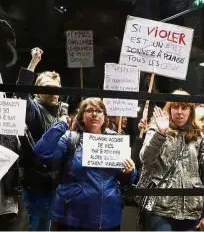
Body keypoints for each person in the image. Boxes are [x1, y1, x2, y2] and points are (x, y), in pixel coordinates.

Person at [33, 97, 137, 231]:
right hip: (72, 219)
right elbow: (41, 153)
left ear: (105, 117)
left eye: (99, 111)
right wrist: (60, 126)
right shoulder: (69, 139)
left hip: (108, 219)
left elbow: (127, 179)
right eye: (89, 110)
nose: (94, 114)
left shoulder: (116, 140)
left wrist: (130, 171)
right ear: (81, 116)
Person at [139, 89, 204, 231]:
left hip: (191, 208)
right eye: (175, 107)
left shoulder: (197, 135)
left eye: (184, 107)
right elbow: (145, 158)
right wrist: (161, 133)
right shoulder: (157, 128)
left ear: (191, 110)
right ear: (169, 109)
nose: (179, 112)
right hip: (161, 208)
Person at [15, 47, 68, 231]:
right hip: (37, 182)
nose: (53, 92)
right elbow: (20, 96)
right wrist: (34, 63)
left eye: (56, 89)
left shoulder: (61, 111)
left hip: (56, 182)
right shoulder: (34, 108)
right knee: (40, 225)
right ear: (37, 91)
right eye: (47, 88)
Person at [0, 135, 20, 231]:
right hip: (9, 201)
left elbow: (20, 162)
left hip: (8, 201)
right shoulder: (13, 137)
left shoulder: (12, 136)